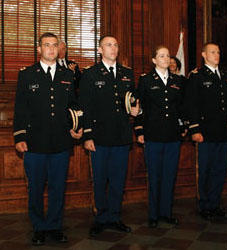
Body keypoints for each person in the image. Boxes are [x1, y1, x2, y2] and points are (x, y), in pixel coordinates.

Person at [13, 32, 82, 246]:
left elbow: (75, 106)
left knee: (57, 187)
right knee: (35, 188)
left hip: (61, 141)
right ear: (39, 49)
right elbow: (20, 109)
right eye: (47, 45)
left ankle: (54, 225)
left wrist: (76, 128)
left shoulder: (68, 75)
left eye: (54, 45)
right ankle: (39, 227)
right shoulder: (27, 75)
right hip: (35, 142)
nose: (51, 49)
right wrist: (19, 136)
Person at [79, 35, 140, 237]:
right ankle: (100, 218)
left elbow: (132, 101)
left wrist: (136, 111)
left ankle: (114, 216)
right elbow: (85, 106)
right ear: (99, 49)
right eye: (108, 45)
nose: (113, 48)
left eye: (115, 45)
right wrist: (87, 136)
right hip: (99, 136)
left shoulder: (127, 73)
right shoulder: (90, 73)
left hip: (121, 135)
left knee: (118, 179)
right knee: (99, 179)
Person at [185, 42, 227, 221]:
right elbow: (191, 106)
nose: (216, 55)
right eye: (212, 52)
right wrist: (194, 129)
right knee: (206, 170)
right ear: (203, 55)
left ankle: (215, 204)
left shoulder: (226, 76)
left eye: (218, 52)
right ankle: (204, 205)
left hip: (223, 131)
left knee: (220, 170)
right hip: (205, 132)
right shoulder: (197, 76)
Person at [134, 46, 186, 228]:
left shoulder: (178, 80)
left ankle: (166, 212)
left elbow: (182, 107)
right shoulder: (146, 80)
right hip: (153, 134)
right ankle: (153, 214)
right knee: (154, 176)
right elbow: (139, 107)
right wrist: (139, 130)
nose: (166, 58)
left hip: (172, 135)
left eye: (168, 56)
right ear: (154, 60)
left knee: (169, 176)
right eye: (161, 56)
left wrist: (183, 127)